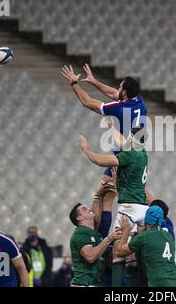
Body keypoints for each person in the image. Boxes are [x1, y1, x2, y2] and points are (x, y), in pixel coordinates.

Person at [61, 64, 148, 229]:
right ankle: (156, 217)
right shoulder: (138, 101)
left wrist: (74, 83)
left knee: (100, 197)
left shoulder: (120, 108)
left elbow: (87, 102)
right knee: (115, 197)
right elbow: (114, 93)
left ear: (124, 92)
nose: (118, 88)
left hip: (124, 156)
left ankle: (100, 236)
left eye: (120, 86)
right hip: (138, 153)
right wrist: (94, 82)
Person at [78, 127, 148, 286]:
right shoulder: (142, 153)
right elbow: (124, 142)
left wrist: (86, 149)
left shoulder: (129, 156)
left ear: (132, 139)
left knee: (118, 251)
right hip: (143, 208)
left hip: (129, 208)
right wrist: (111, 127)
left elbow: (99, 160)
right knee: (136, 250)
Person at [114, 206, 176, 287]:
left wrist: (126, 231)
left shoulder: (145, 236)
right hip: (175, 281)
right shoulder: (168, 236)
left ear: (147, 219)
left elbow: (119, 251)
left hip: (159, 283)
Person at [69, 202, 122, 287]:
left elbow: (107, 261)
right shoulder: (80, 233)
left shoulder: (97, 235)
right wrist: (109, 239)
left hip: (97, 283)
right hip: (84, 284)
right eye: (84, 209)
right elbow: (90, 257)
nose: (89, 209)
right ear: (79, 217)